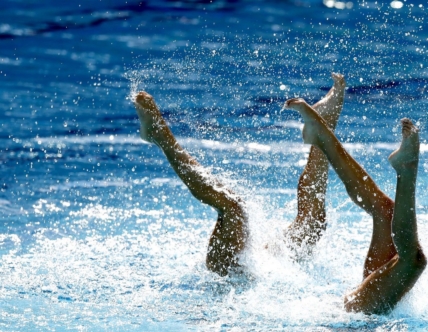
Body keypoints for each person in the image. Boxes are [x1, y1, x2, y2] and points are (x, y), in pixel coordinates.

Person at [134, 73, 426, 314]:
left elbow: (411, 259)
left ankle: (160, 136)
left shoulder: (360, 307)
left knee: (234, 208)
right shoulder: (369, 302)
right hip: (260, 276)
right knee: (318, 223)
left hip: (233, 273)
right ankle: (323, 132)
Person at [133, 73, 345, 275]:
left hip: (256, 269)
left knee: (312, 222)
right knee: (236, 208)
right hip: (232, 270)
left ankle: (323, 127)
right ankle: (160, 136)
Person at [283, 99, 427, 315]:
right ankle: (405, 170)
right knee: (407, 249)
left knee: (403, 242)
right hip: (360, 319)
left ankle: (321, 136)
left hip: (356, 314)